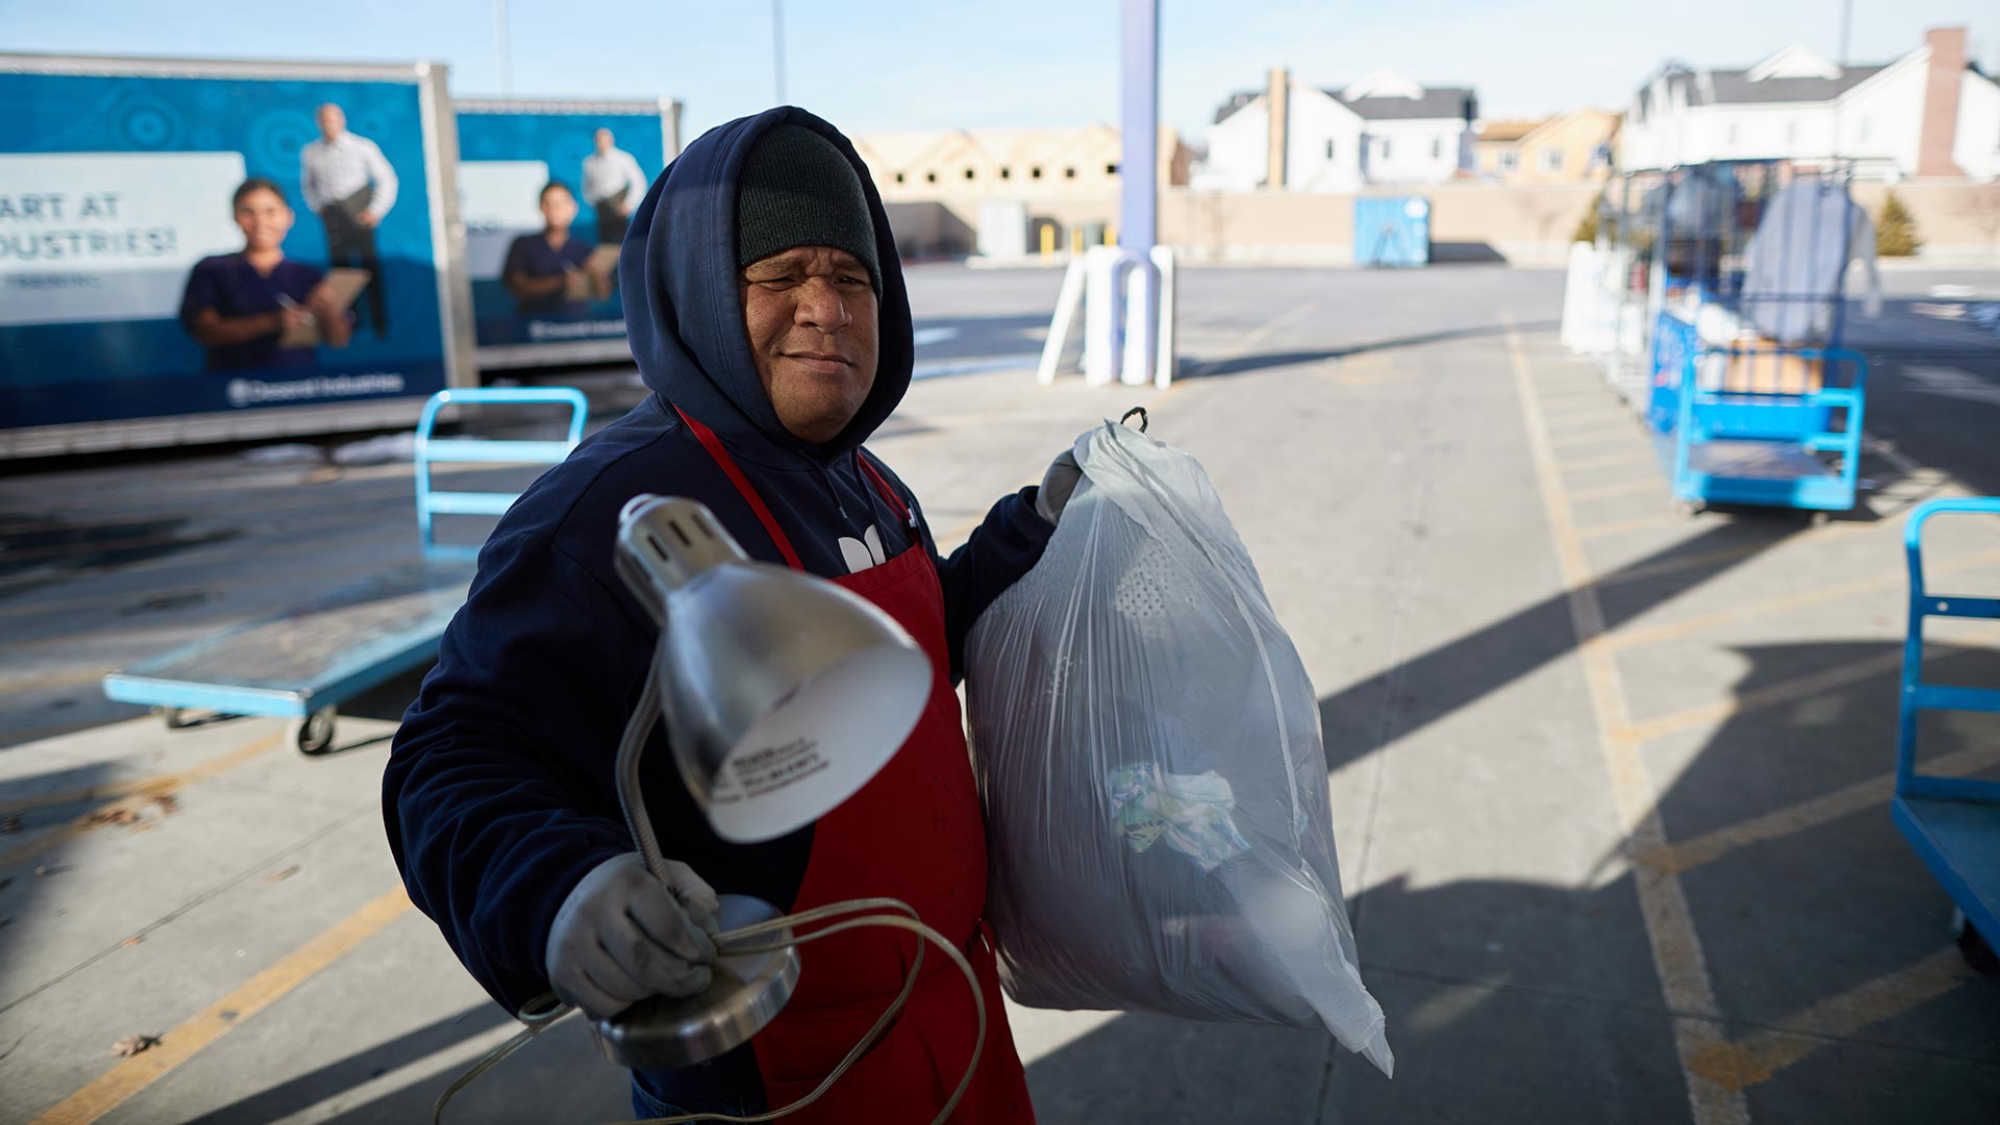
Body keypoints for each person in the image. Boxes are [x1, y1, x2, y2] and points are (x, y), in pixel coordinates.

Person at [384, 109, 1081, 1122]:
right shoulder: (606, 512)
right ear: (704, 292)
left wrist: (1029, 531)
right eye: (781, 273)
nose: (826, 309)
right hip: (778, 1064)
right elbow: (451, 753)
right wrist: (558, 888)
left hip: (948, 1001)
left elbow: (903, 652)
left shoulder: (861, 479)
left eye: (852, 277)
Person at [180, 178, 352, 372]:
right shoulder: (211, 269)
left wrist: (329, 310)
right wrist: (273, 322)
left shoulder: (308, 275)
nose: (260, 222)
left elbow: (339, 340)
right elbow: (205, 331)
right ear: (235, 217)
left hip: (298, 387)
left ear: (288, 217)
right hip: (233, 389)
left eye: (270, 212)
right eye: (248, 212)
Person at [301, 102, 397, 338]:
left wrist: (375, 210)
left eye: (333, 119)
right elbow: (308, 186)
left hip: (359, 215)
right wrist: (319, 209)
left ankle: (379, 325)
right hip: (334, 219)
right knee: (341, 275)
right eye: (324, 120)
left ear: (342, 120)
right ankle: (350, 325)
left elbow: (387, 179)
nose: (329, 124)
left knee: (369, 272)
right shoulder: (311, 152)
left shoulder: (362, 147)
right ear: (318, 123)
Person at [500, 180, 607, 319]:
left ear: (573, 208)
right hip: (532, 329)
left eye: (560, 204)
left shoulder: (584, 250)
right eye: (548, 203)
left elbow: (603, 294)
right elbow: (518, 287)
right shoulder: (523, 245)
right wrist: (562, 281)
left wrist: (597, 277)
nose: (555, 209)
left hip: (577, 328)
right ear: (541, 207)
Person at [581, 126, 649, 244]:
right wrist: (594, 203)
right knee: (605, 245)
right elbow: (586, 186)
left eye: (604, 139)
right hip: (602, 209)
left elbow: (638, 181)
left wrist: (629, 204)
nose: (601, 142)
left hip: (619, 206)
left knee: (623, 244)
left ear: (611, 140)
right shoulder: (589, 162)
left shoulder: (623, 159)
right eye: (598, 139)